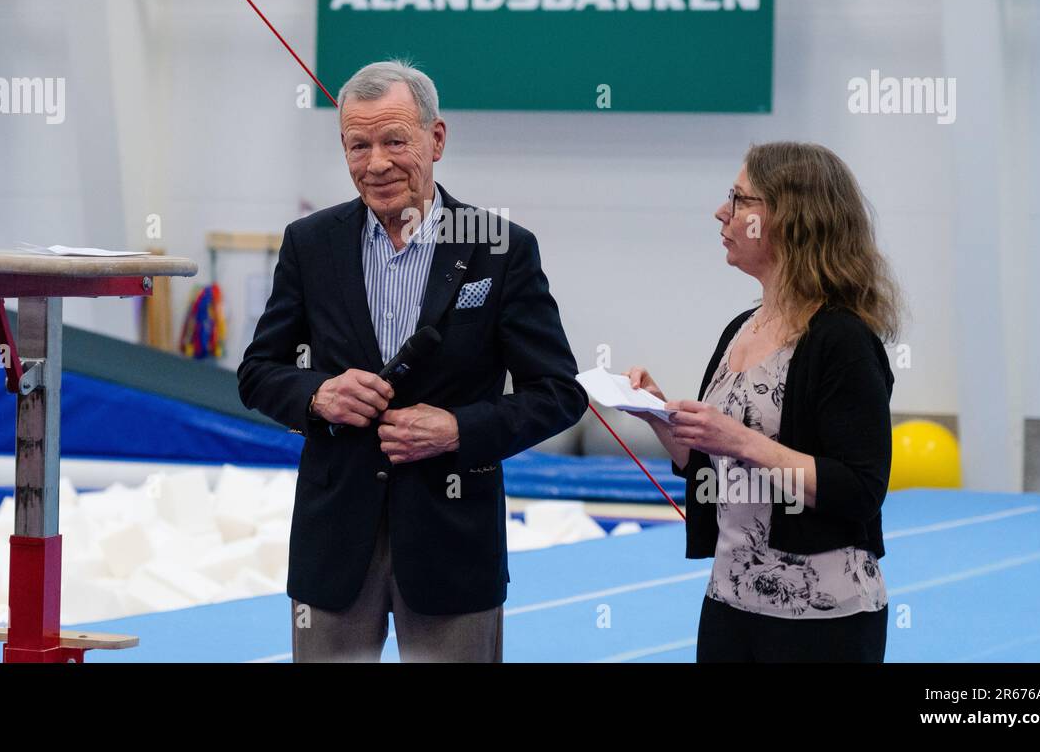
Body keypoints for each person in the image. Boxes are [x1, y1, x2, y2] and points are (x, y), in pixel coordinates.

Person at [237, 59, 587, 662]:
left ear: (437, 139)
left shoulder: (501, 249)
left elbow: (558, 392)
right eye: (358, 144)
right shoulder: (310, 243)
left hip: (454, 538)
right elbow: (258, 371)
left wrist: (458, 430)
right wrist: (317, 395)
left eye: (396, 140)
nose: (376, 163)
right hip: (334, 537)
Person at [624, 141, 903, 662]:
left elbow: (861, 489)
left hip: (819, 614)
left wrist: (742, 441)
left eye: (740, 199)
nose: (720, 211)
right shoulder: (741, 328)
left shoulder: (841, 339)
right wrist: (660, 415)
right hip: (731, 599)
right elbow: (709, 465)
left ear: (792, 219)